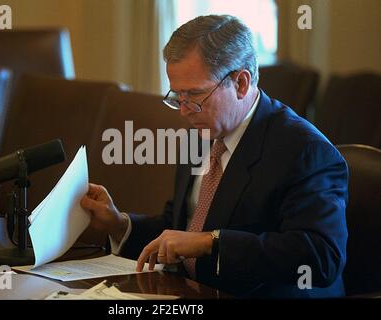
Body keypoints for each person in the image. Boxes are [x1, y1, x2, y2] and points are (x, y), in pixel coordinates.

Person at [81, 15, 348, 298]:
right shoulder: (202, 133)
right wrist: (120, 224)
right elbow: (182, 227)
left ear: (241, 83)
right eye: (177, 97)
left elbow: (321, 257)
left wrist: (211, 242)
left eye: (195, 95)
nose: (184, 111)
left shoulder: (305, 150)